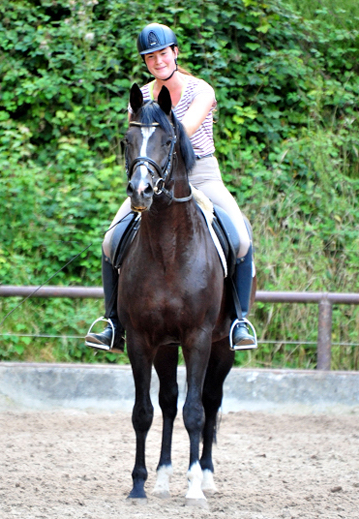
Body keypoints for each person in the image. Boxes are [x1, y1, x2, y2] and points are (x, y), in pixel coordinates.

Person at [85, 22, 257, 353]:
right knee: (110, 240)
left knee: (241, 237)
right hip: (156, 177)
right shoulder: (142, 97)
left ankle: (239, 321)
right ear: (145, 61)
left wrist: (153, 121)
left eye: (163, 53)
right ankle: (111, 322)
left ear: (175, 52)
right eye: (150, 57)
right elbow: (140, 144)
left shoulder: (201, 90)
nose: (158, 61)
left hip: (201, 173)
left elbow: (184, 131)